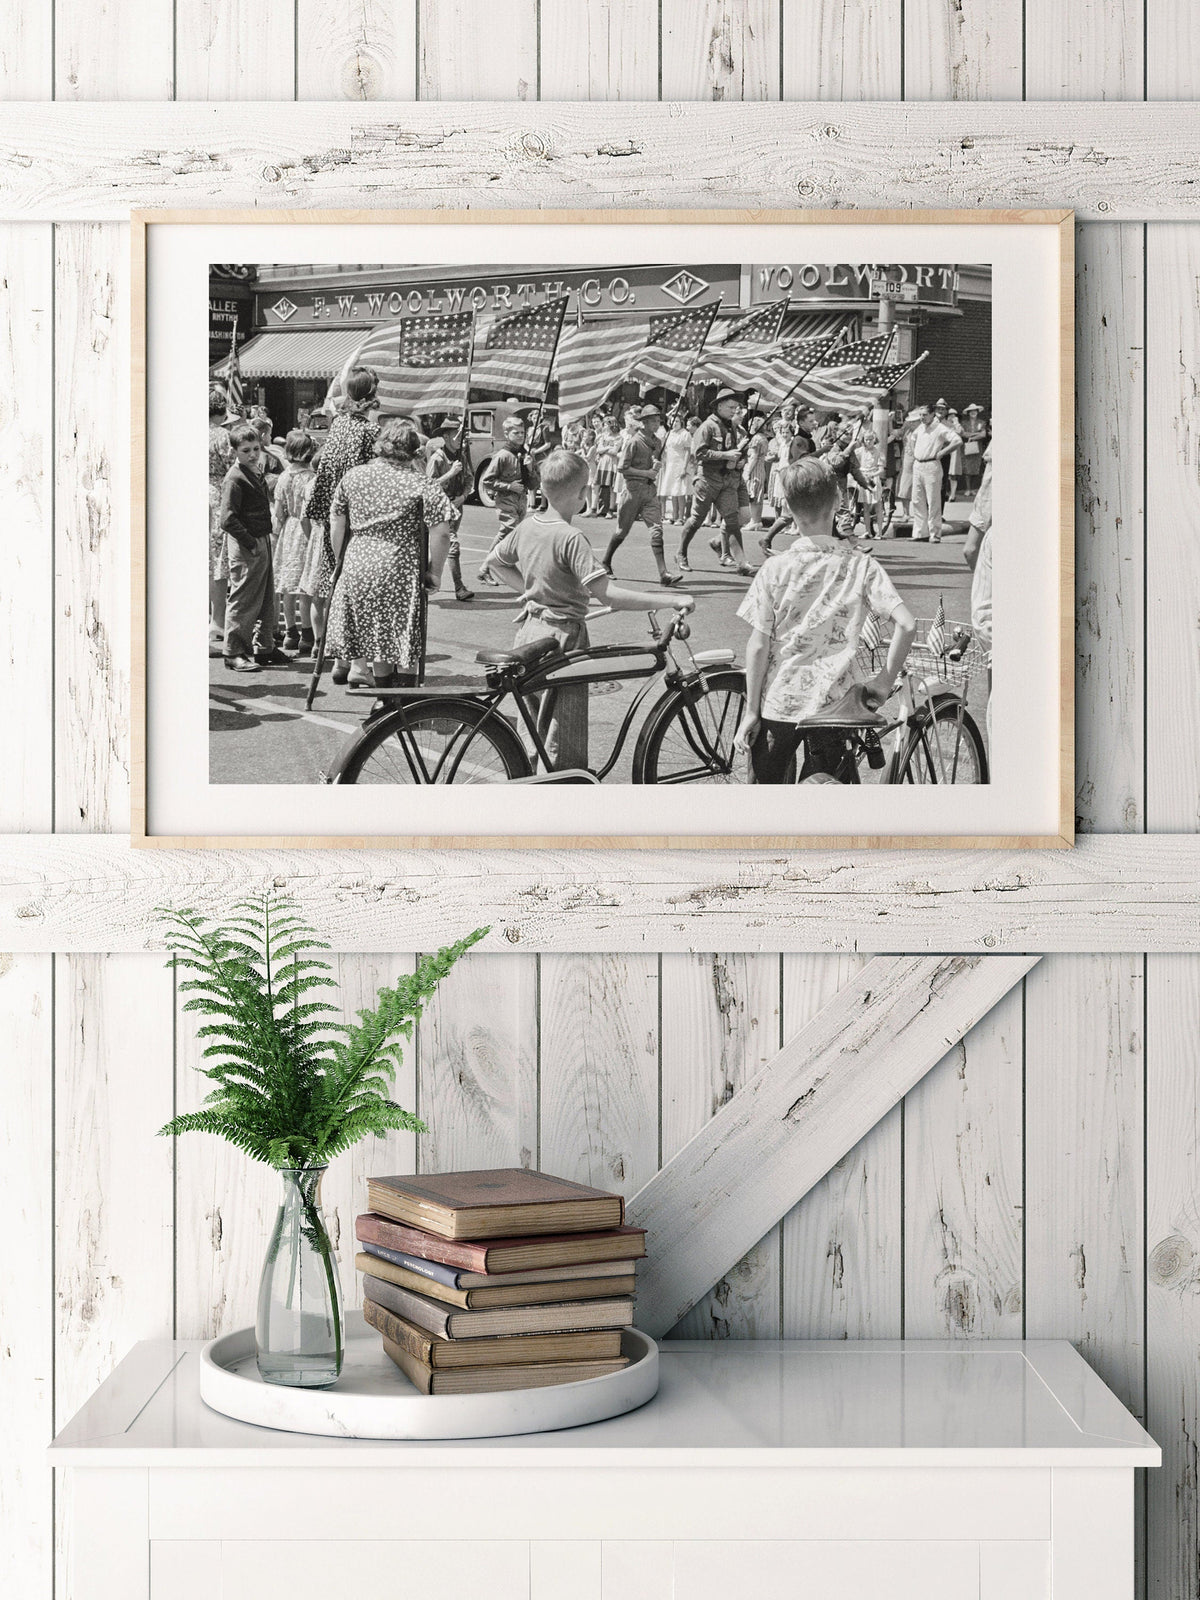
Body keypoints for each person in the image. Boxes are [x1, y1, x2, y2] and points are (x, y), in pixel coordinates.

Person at [489, 449, 694, 766]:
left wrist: (531, 592)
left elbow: (496, 563)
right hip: (563, 643)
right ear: (583, 493)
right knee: (562, 739)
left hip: (529, 633)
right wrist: (671, 600)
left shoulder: (528, 526)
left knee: (533, 735)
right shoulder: (571, 537)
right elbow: (609, 594)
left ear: (542, 489)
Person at [733, 457, 916, 783]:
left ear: (787, 509)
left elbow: (759, 644)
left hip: (780, 703)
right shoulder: (861, 565)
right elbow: (906, 624)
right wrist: (882, 684)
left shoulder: (775, 568)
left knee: (766, 803)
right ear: (838, 501)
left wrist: (750, 711)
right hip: (834, 707)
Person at [324, 417, 455, 690]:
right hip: (399, 564)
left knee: (377, 633)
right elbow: (442, 530)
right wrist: (436, 572)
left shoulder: (354, 476)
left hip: (358, 561)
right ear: (413, 452)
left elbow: (336, 520)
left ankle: (384, 696)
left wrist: (340, 559)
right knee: (401, 632)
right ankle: (402, 697)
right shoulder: (420, 483)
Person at [302, 367, 380, 681]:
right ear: (370, 395)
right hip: (354, 520)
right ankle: (356, 664)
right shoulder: (366, 431)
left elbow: (327, 475)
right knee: (356, 593)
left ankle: (342, 660)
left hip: (331, 516)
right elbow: (367, 480)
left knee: (338, 590)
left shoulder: (339, 424)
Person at [219, 421, 290, 673]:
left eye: (255, 449)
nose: (252, 454)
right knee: (244, 598)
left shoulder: (255, 471)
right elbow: (227, 518)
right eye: (245, 450)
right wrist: (250, 542)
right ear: (235, 451)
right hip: (247, 543)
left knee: (265, 598)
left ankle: (265, 646)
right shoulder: (235, 478)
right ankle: (234, 651)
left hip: (261, 538)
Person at [601, 403, 682, 586]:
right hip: (633, 490)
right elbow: (622, 468)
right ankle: (606, 562)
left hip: (649, 491)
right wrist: (646, 473)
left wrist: (656, 463)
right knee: (622, 531)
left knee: (656, 530)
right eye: (652, 421)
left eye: (658, 420)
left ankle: (664, 573)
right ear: (643, 423)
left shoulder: (658, 442)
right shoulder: (634, 441)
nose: (656, 424)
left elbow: (656, 461)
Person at [677, 389, 753, 574]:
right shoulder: (707, 427)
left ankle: (742, 563)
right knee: (696, 520)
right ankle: (681, 553)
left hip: (727, 479)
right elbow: (699, 453)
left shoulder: (732, 427)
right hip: (707, 479)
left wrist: (739, 459)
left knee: (732, 521)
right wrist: (726, 455)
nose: (734, 411)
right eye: (730, 407)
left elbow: (734, 450)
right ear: (719, 406)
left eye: (736, 407)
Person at [271, 429, 317, 656]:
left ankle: (290, 632)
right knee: (305, 585)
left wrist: (276, 534)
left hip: (289, 529)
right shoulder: (311, 478)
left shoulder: (284, 477)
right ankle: (307, 632)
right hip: (304, 529)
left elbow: (278, 512)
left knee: (287, 585)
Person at [477, 415, 536, 585]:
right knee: (509, 532)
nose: (520, 435)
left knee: (506, 535)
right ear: (507, 433)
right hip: (506, 500)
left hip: (521, 501)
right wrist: (509, 486)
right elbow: (487, 481)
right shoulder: (502, 456)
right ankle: (487, 568)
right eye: (515, 432)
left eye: (522, 432)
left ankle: (487, 568)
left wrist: (530, 468)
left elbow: (533, 484)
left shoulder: (527, 454)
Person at [425, 417, 474, 602]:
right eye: (457, 435)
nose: (461, 440)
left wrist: (463, 497)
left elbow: (469, 478)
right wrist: (450, 473)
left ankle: (429, 577)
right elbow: (428, 485)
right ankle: (459, 587)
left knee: (443, 548)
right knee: (452, 546)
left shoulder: (460, 456)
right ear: (446, 437)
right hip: (440, 509)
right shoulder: (438, 458)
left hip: (457, 507)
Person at [908, 403, 960, 543]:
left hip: (932, 465)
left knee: (933, 501)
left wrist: (943, 452)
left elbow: (957, 440)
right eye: (920, 415)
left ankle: (935, 533)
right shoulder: (920, 427)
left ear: (932, 414)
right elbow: (912, 438)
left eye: (924, 414)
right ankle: (920, 533)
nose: (922, 417)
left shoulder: (940, 428)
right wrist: (913, 452)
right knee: (917, 500)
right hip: (918, 464)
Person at [208, 386, 234, 656]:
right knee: (218, 561)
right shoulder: (222, 436)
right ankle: (217, 620)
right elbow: (232, 467)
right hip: (217, 495)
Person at [658, 411, 693, 523]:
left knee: (680, 491)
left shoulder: (685, 433)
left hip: (680, 463)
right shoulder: (669, 434)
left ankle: (680, 517)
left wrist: (684, 467)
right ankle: (674, 515)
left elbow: (688, 451)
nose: (675, 424)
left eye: (677, 421)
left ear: (681, 422)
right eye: (673, 421)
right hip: (670, 464)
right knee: (673, 491)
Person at [742, 412, 771, 532]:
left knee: (752, 495)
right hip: (761, 468)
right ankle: (757, 520)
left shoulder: (755, 439)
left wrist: (747, 472)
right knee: (758, 496)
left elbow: (754, 456)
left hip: (754, 468)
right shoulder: (763, 438)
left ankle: (754, 520)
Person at [960, 403, 988, 495]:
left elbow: (983, 434)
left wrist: (972, 437)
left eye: (975, 411)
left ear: (977, 412)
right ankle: (968, 489)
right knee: (967, 468)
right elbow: (963, 434)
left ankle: (973, 489)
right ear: (968, 413)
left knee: (976, 468)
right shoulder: (964, 423)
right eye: (971, 411)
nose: (973, 412)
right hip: (967, 447)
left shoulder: (982, 422)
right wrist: (976, 434)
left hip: (977, 447)